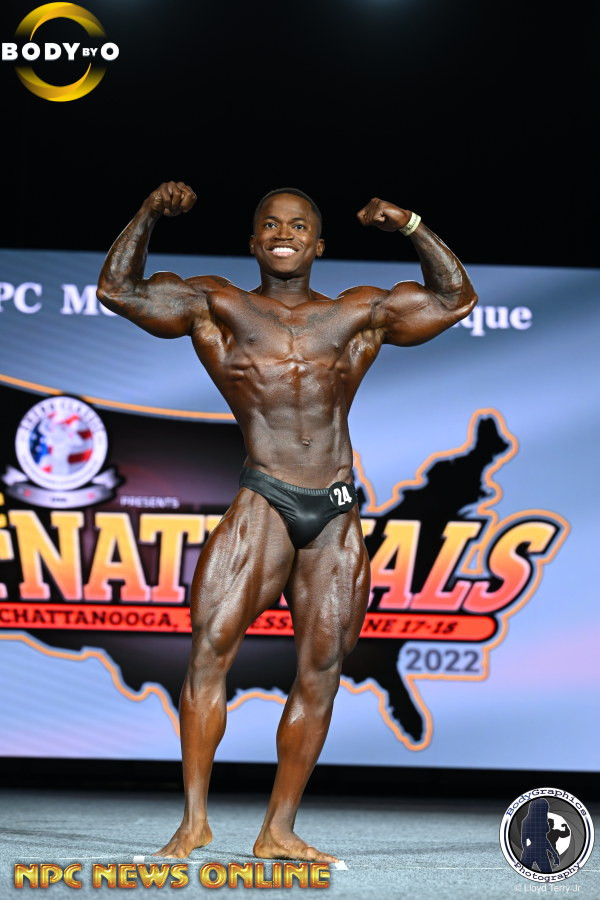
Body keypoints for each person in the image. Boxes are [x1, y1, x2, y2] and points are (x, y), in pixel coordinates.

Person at [97, 182, 478, 862]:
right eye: (270, 224)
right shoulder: (218, 306)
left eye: (298, 225)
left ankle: (278, 829)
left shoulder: (356, 314)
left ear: (318, 244)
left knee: (321, 669)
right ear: (252, 242)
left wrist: (412, 224)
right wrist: (149, 213)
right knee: (209, 653)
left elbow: (455, 300)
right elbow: (118, 291)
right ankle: (193, 821)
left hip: (334, 509)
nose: (284, 233)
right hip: (264, 497)